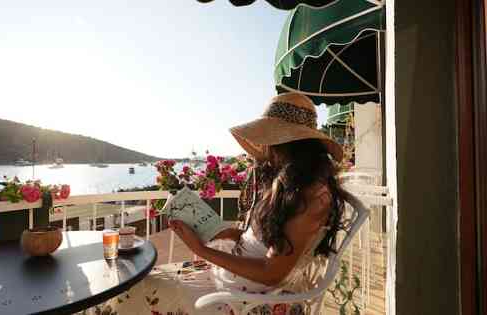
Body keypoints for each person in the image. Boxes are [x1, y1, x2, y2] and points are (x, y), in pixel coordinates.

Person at [81, 93, 348, 315]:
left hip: (247, 300)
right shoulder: (290, 184)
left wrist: (199, 249)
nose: (265, 149)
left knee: (132, 291)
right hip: (237, 283)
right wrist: (227, 233)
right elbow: (268, 243)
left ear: (285, 142)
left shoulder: (312, 196)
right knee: (140, 283)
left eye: (269, 140)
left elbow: (271, 273)